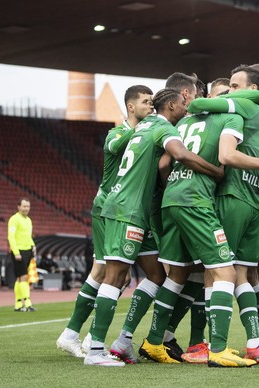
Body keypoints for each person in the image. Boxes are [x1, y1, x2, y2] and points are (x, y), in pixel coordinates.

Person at [84, 88, 224, 367]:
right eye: (183, 104)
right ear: (171, 105)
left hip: (130, 208)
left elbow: (161, 165)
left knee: (156, 274)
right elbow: (180, 154)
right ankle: (95, 350)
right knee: (115, 277)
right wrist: (216, 171)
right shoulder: (161, 125)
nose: (187, 109)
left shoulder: (143, 126)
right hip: (127, 210)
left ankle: (123, 341)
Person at [140, 106, 259, 367]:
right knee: (226, 273)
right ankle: (218, 349)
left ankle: (153, 341)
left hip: (170, 199)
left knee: (177, 274)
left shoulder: (182, 122)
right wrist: (216, 173)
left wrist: (172, 185)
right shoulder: (231, 117)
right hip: (198, 201)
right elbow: (226, 156)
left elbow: (163, 163)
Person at [56, 85, 154, 359]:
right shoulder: (119, 132)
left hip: (122, 209)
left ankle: (79, 335)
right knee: (104, 271)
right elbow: (112, 145)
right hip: (109, 208)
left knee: (115, 275)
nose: (151, 107)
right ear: (131, 107)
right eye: (146, 102)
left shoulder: (144, 134)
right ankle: (78, 336)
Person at [8, 198, 37, 312]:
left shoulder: (29, 220)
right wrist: (16, 252)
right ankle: (28, 303)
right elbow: (11, 237)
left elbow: (28, 236)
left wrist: (33, 246)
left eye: (28, 206)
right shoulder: (14, 219)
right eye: (24, 206)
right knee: (24, 277)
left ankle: (18, 304)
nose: (26, 209)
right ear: (18, 207)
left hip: (27, 250)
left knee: (20, 278)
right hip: (19, 251)